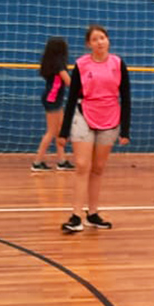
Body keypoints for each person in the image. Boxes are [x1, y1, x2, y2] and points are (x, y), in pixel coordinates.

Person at [58, 25, 132, 233]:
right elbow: (71, 98)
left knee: (98, 168)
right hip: (84, 114)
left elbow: (126, 97)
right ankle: (75, 215)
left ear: (108, 40)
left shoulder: (118, 64)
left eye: (103, 38)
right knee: (82, 165)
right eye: (95, 39)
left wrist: (125, 130)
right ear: (88, 44)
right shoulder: (81, 65)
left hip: (110, 118)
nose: (100, 42)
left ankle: (92, 214)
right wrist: (64, 132)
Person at [32, 37, 74, 172]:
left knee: (60, 131)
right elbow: (69, 82)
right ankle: (37, 162)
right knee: (51, 132)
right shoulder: (59, 65)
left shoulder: (52, 63)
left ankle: (62, 161)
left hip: (53, 98)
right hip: (52, 99)